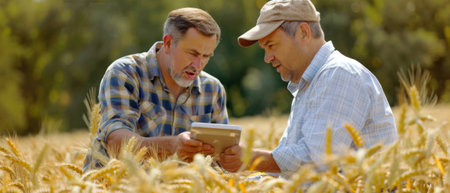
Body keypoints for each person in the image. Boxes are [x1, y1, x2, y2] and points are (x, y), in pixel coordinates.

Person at [218, 0, 398, 177]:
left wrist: (250, 158)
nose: (267, 58)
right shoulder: (309, 83)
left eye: (271, 46)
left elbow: (318, 161)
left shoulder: (340, 74)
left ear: (303, 33)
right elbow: (290, 174)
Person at [83, 7, 228, 171]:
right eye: (192, 53)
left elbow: (220, 161)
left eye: (206, 56)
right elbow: (116, 143)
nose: (198, 65)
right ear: (168, 43)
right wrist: (172, 146)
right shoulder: (125, 73)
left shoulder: (213, 90)